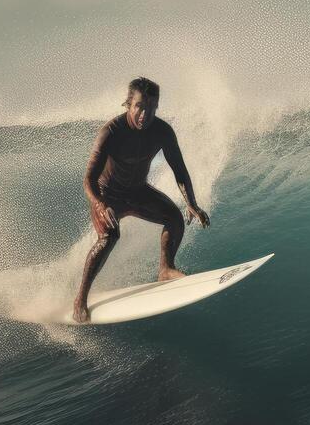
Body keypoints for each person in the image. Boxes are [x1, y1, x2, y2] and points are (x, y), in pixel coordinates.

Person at [73, 77, 210, 323]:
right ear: (128, 104)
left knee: (174, 218)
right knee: (109, 237)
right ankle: (80, 299)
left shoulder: (162, 132)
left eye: (152, 108)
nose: (145, 114)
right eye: (140, 107)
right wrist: (101, 205)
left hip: (137, 191)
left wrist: (191, 202)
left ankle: (166, 269)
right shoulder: (111, 132)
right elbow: (88, 180)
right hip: (108, 194)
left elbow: (179, 169)